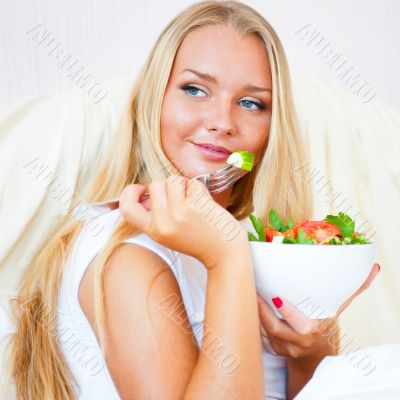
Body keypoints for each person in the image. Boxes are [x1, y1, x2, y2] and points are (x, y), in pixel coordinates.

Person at [7, 1, 379, 399]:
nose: (223, 121)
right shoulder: (128, 254)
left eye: (251, 103)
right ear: (155, 101)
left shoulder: (259, 248)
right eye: (195, 89)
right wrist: (227, 260)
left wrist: (310, 353)